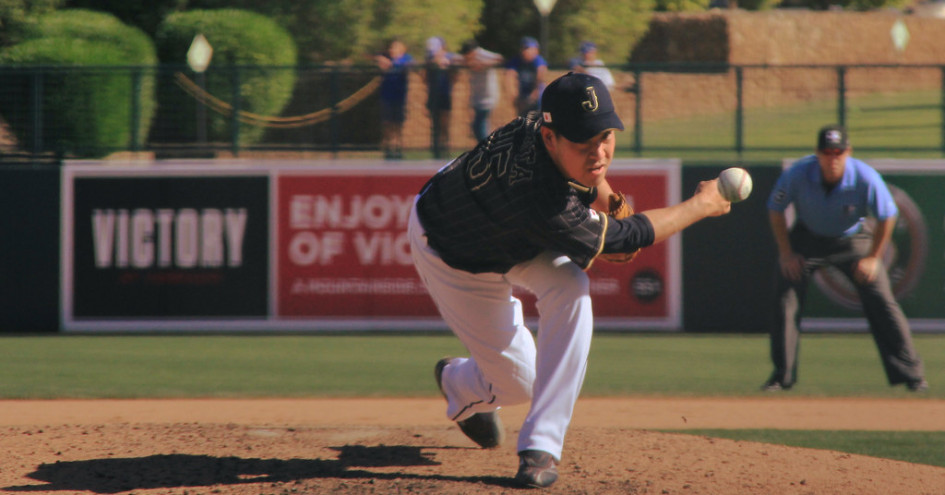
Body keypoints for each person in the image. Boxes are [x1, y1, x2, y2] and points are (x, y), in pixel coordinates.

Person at [408, 72, 732, 488]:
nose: (598, 152)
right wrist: (702, 204)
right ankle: (459, 381)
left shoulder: (539, 125)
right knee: (518, 383)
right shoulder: (541, 196)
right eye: (583, 143)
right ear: (550, 138)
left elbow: (592, 179)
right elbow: (626, 240)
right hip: (455, 247)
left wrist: (614, 203)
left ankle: (540, 447)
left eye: (605, 136)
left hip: (509, 232)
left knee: (573, 288)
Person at [763, 124, 927, 393]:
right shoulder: (799, 173)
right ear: (817, 153)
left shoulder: (864, 176)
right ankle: (782, 376)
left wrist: (874, 257)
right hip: (807, 237)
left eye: (838, 152)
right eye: (827, 152)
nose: (833, 158)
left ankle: (912, 376)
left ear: (848, 152)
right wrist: (786, 253)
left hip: (853, 239)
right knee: (785, 299)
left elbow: (888, 215)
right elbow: (775, 209)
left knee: (882, 301)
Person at [375, 38, 413, 160]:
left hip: (399, 97)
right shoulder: (386, 59)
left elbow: (410, 64)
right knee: (387, 123)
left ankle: (398, 148)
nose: (392, 50)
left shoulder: (406, 59)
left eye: (395, 47)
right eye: (391, 48)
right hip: (386, 96)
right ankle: (388, 149)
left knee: (398, 124)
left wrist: (390, 64)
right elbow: (381, 65)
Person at [459, 39, 504, 142]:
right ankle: (485, 146)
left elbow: (499, 58)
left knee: (480, 124)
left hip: (487, 97)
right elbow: (456, 59)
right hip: (477, 97)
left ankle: (486, 146)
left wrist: (482, 64)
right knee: (477, 125)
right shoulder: (467, 59)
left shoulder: (482, 54)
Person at [422, 36, 458, 158]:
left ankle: (445, 148)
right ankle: (436, 151)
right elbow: (424, 78)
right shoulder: (429, 60)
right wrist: (432, 64)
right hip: (433, 95)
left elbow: (455, 78)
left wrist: (448, 67)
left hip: (445, 94)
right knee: (434, 124)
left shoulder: (450, 58)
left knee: (445, 123)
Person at [505, 36, 547, 118]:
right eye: (523, 48)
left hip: (538, 97)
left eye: (528, 48)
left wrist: (532, 97)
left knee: (538, 123)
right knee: (523, 123)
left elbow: (540, 76)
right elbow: (509, 78)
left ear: (536, 51)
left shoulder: (538, 60)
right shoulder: (516, 60)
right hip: (522, 96)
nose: (525, 51)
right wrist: (515, 99)